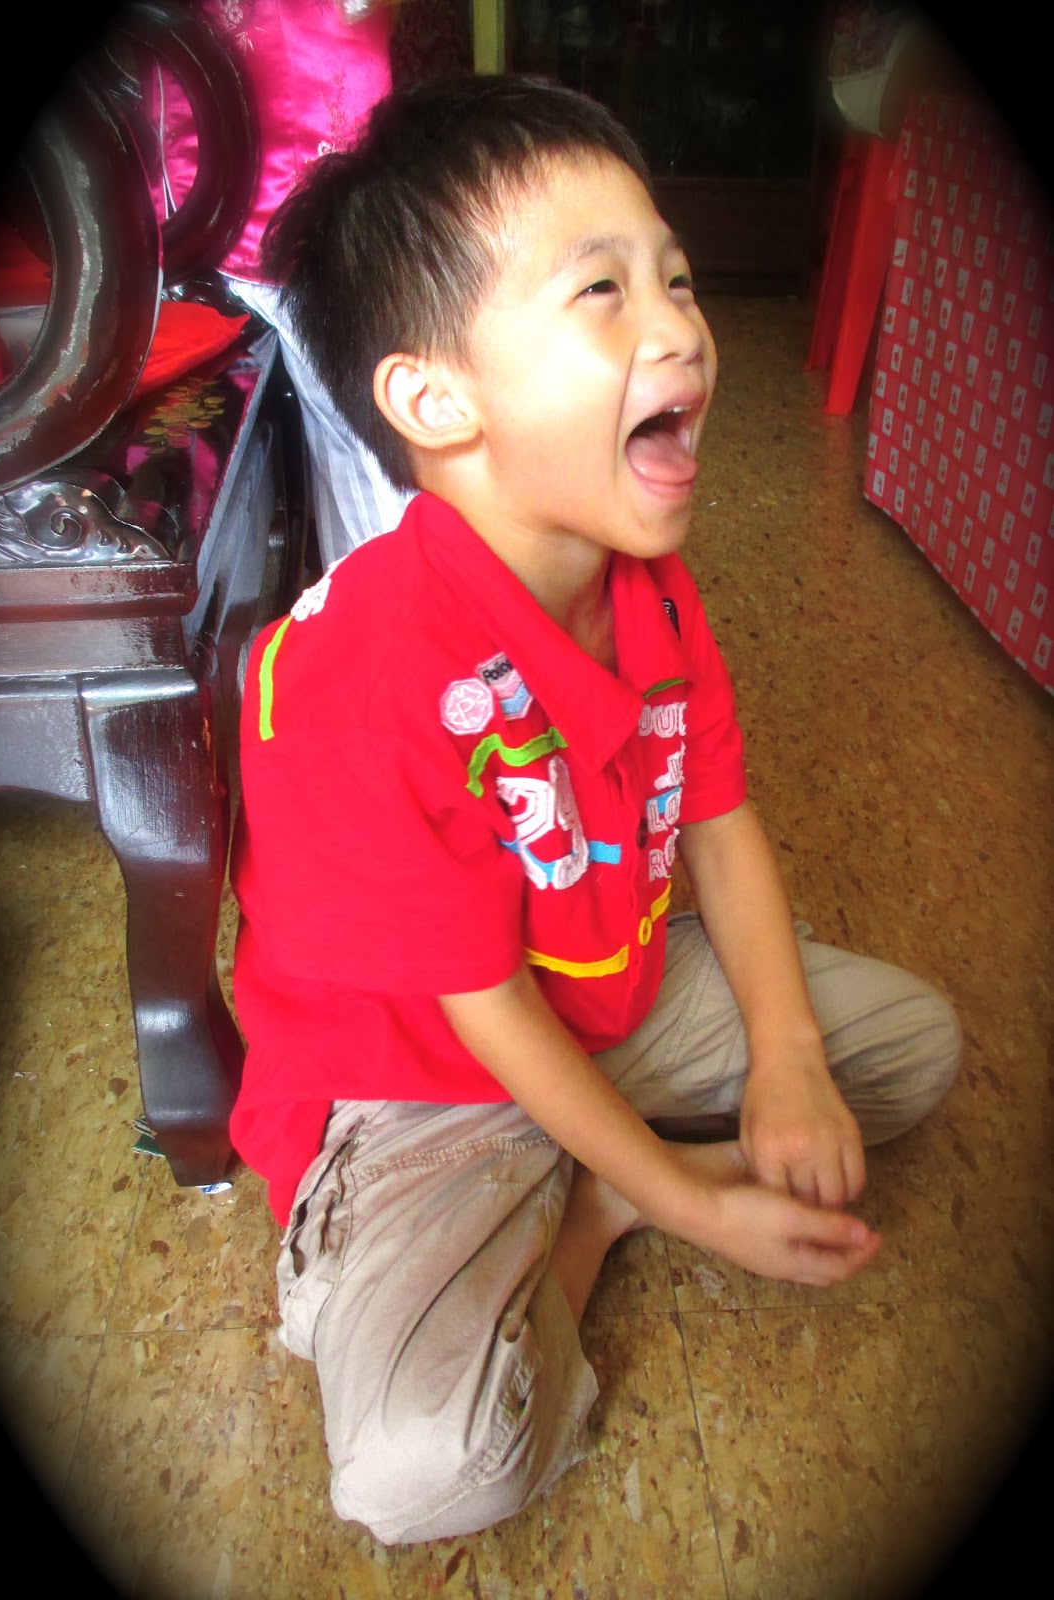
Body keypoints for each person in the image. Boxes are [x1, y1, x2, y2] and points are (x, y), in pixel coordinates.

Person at [229, 75, 962, 1546]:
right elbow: (481, 1005)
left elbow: (719, 823)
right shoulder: (360, 674)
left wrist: (786, 1057)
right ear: (437, 402)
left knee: (907, 1053)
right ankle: (598, 1202)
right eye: (602, 292)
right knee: (425, 1468)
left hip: (599, 986)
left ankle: (609, 1155)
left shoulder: (648, 586)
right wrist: (682, 1201)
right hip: (421, 1081)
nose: (679, 327)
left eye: (672, 277)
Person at [152, 0, 414, 563]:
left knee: (368, 430)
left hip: (282, 210)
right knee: (359, 428)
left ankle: (398, 591)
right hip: (230, 202)